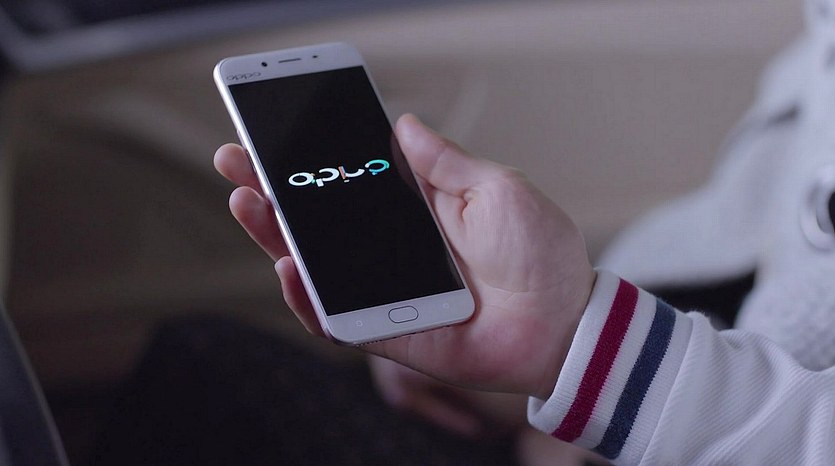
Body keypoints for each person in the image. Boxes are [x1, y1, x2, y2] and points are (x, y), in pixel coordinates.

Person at [214, 2, 835, 461]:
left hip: (652, 418)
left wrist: (589, 390)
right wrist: (561, 350)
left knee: (208, 368)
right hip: (622, 371)